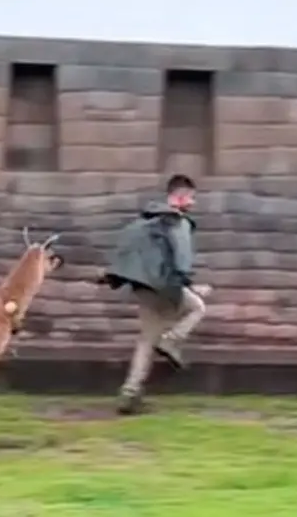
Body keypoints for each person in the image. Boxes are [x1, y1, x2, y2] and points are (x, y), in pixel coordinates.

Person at [95, 174, 210, 415]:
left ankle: (129, 392)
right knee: (197, 307)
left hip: (144, 288)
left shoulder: (142, 222)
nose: (193, 203)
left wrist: (111, 274)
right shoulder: (178, 222)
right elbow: (182, 259)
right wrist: (189, 284)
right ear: (180, 197)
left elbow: (126, 252)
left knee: (146, 341)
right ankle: (171, 340)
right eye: (192, 198)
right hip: (166, 287)